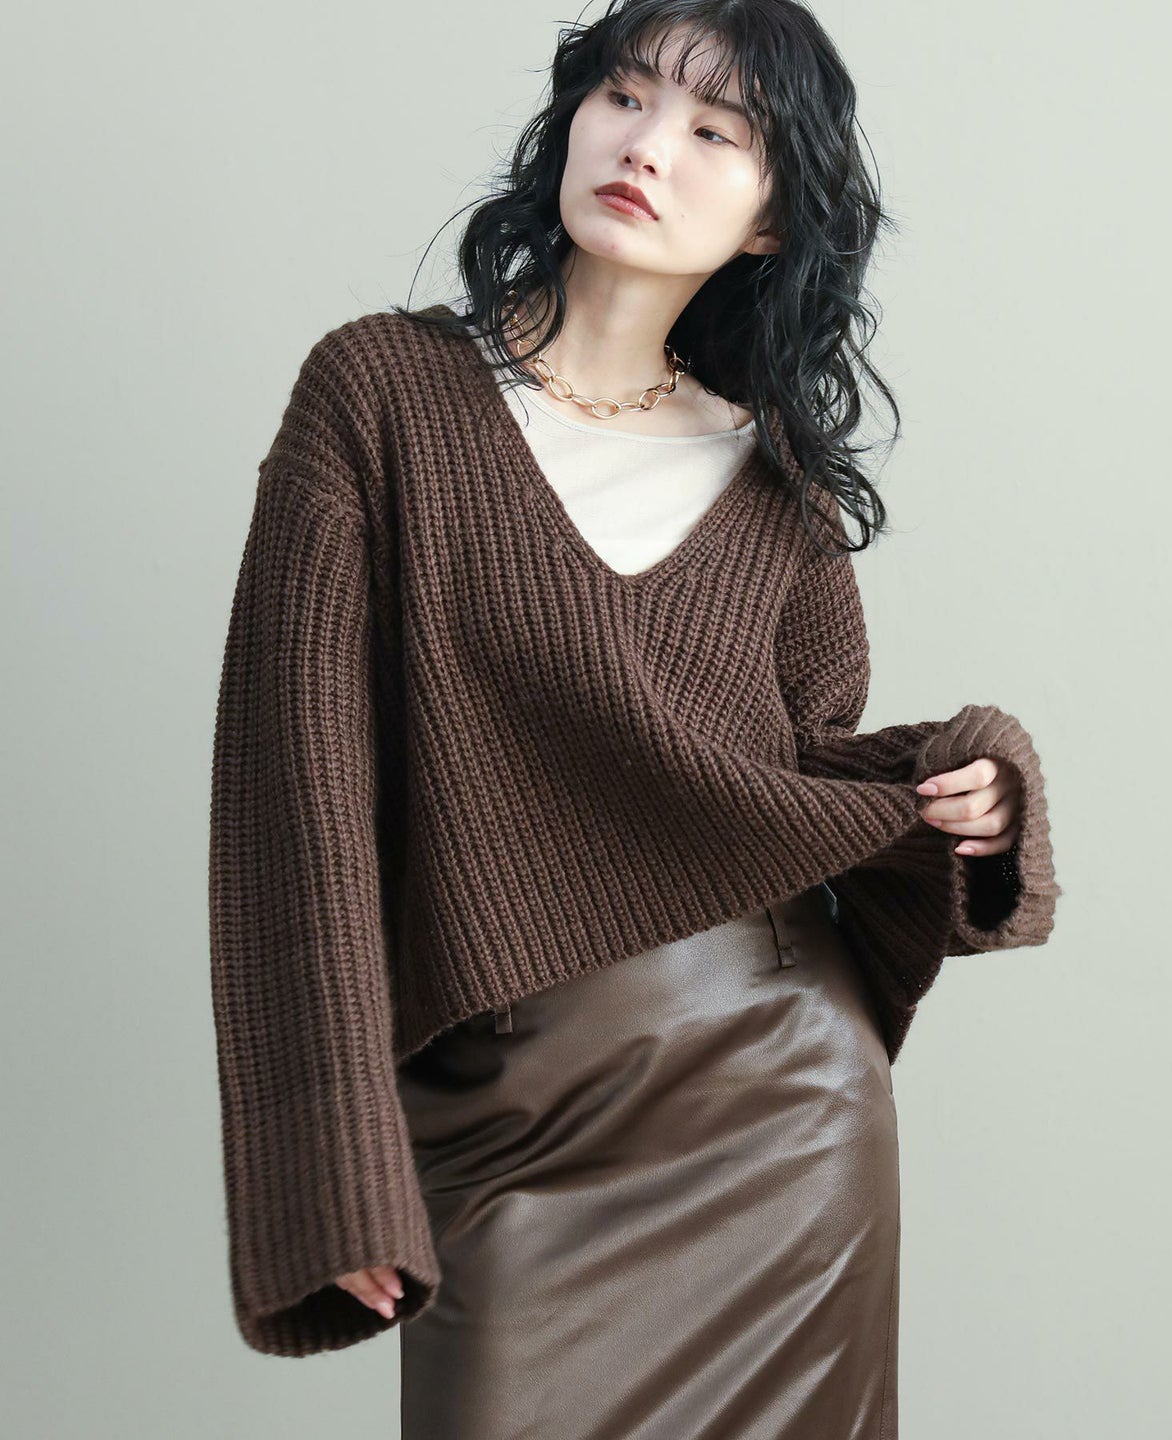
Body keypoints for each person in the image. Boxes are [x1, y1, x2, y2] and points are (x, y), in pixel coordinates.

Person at [208, 3, 1060, 1435]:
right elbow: (295, 805)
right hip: (502, 1111)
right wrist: (336, 1168)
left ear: (772, 223)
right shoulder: (380, 393)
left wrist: (971, 781)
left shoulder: (778, 488)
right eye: (625, 96)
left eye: (716, 131)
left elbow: (793, 772)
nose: (649, 146)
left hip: (782, 1109)